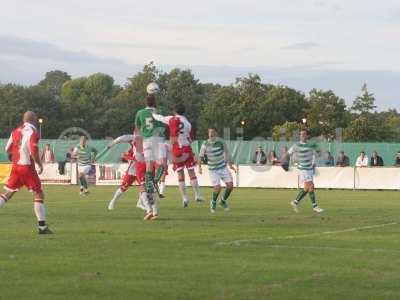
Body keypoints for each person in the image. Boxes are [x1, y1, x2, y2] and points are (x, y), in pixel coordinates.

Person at [0, 111, 52, 234]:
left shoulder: (15, 131)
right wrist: (39, 164)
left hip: (16, 168)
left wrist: (16, 154)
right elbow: (33, 151)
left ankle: (43, 227)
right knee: (39, 194)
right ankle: (42, 227)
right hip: (27, 167)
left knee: (8, 193)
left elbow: (7, 149)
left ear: (24, 120)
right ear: (34, 119)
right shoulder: (33, 132)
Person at [153, 103, 204, 207]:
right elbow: (190, 139)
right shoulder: (188, 123)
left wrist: (152, 113)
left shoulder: (171, 119)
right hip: (186, 148)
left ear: (174, 111)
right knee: (191, 172)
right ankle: (197, 194)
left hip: (176, 149)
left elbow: (160, 118)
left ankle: (185, 198)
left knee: (180, 174)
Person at [134, 83, 165, 220]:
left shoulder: (140, 113)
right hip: (157, 139)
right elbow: (162, 127)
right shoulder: (157, 113)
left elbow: (137, 127)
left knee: (148, 167)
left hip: (146, 141)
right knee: (162, 165)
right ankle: (155, 180)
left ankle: (150, 182)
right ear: (155, 103)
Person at [106, 134, 155, 219]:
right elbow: (123, 140)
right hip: (133, 169)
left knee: (145, 187)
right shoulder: (135, 140)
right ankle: (112, 201)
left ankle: (144, 206)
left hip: (144, 167)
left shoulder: (149, 141)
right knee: (124, 187)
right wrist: (113, 143)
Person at [282, 129, 324, 213]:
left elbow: (319, 152)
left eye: (304, 134)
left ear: (307, 136)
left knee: (306, 188)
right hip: (303, 169)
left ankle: (295, 202)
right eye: (301, 134)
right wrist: (283, 161)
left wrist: (318, 152)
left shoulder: (311, 144)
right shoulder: (296, 145)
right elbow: (287, 154)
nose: (302, 136)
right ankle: (315, 206)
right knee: (311, 186)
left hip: (309, 169)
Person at [198, 128, 236, 213]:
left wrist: (230, 165)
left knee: (230, 185)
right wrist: (199, 167)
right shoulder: (205, 144)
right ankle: (213, 202)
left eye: (212, 132)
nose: (211, 134)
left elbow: (226, 152)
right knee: (217, 188)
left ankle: (222, 201)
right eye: (209, 132)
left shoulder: (221, 142)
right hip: (213, 169)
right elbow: (200, 156)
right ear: (208, 134)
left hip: (222, 167)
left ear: (216, 133)